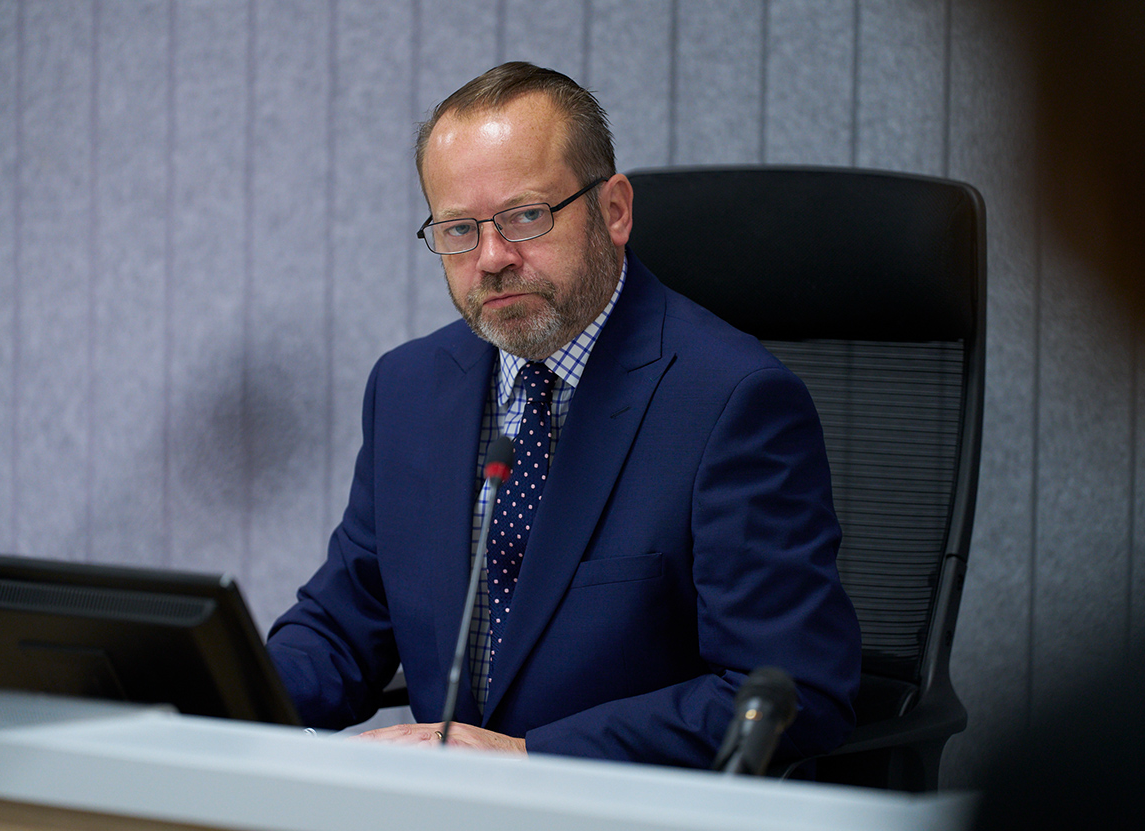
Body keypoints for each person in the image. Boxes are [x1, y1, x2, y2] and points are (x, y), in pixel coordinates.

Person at [266, 62, 860, 768]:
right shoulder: (410, 388)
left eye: (525, 217)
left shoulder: (733, 404)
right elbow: (339, 629)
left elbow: (791, 694)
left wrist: (527, 754)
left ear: (614, 210)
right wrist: (204, 701)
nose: (490, 259)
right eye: (458, 229)